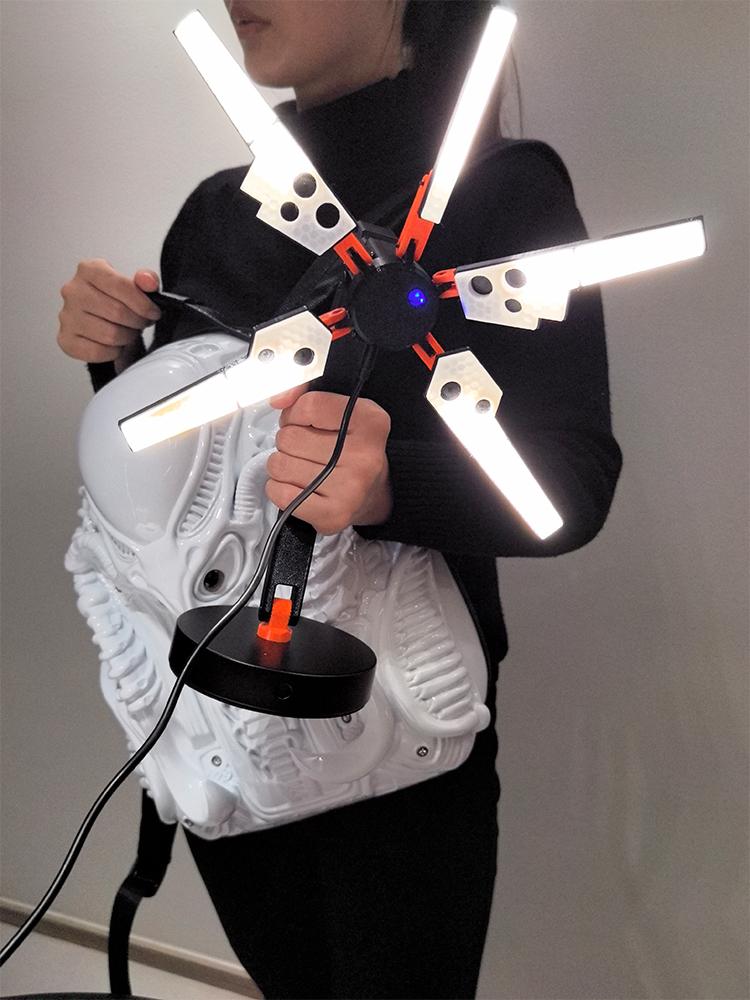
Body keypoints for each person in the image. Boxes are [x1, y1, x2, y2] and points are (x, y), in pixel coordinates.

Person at [57, 1, 622, 996]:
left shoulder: (499, 193)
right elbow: (188, 475)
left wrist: (388, 483)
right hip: (223, 730)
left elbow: (570, 482)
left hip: (401, 747)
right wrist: (117, 360)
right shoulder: (217, 211)